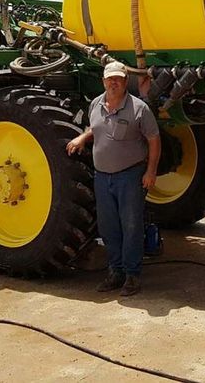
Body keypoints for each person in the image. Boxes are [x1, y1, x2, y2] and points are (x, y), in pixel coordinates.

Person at [66, 61, 161, 296]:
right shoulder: (96, 104)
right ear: (103, 81)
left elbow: (154, 140)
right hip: (102, 177)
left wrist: (150, 172)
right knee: (109, 227)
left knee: (131, 226)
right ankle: (115, 271)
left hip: (129, 176)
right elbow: (96, 128)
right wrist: (82, 138)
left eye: (117, 78)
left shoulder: (139, 108)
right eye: (109, 79)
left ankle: (132, 275)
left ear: (125, 81)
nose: (113, 82)